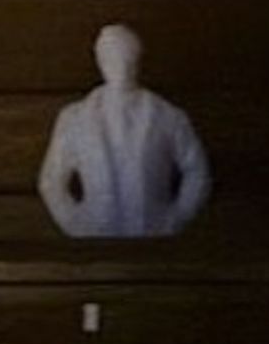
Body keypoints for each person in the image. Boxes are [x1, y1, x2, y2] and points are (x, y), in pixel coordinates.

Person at [36, 22, 214, 239]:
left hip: (153, 236)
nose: (121, 66)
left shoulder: (168, 116)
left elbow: (197, 171)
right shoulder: (74, 119)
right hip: (96, 238)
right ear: (100, 61)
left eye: (127, 59)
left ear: (137, 61)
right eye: (112, 59)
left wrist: (175, 218)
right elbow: (52, 180)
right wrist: (76, 224)